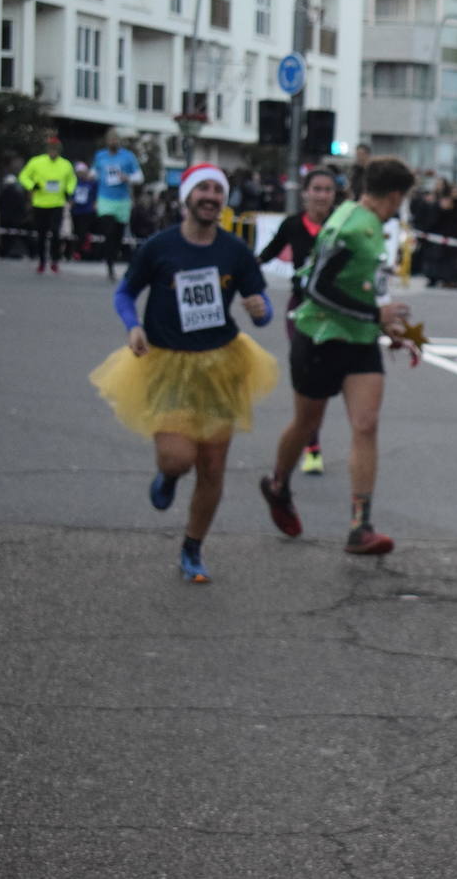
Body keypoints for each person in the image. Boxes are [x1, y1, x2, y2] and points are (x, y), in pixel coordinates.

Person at [88, 163, 277, 583]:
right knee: (179, 458)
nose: (211, 196)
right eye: (202, 188)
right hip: (167, 361)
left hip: (220, 363)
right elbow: (125, 292)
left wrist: (262, 310)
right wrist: (132, 325)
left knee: (212, 466)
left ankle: (193, 547)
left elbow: (260, 304)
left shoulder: (234, 251)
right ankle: (169, 475)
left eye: (218, 190)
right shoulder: (159, 247)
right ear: (187, 197)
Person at [258, 156, 418, 556]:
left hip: (360, 338)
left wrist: (386, 325)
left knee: (366, 424)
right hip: (319, 335)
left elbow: (363, 287)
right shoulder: (348, 226)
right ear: (395, 196)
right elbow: (314, 286)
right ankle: (278, 485)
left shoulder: (371, 225)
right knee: (306, 421)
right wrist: (373, 314)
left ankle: (360, 527)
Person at [256, 168, 338, 475]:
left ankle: (310, 435)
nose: (321, 195)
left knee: (325, 381)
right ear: (305, 193)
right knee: (307, 378)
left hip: (333, 314)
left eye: (327, 190)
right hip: (300, 310)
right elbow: (265, 256)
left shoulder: (340, 225)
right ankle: (312, 447)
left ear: (334, 195)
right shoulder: (292, 225)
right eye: (316, 189)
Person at [18, 135, 76, 274]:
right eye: (51, 149)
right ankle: (42, 261)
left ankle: (55, 260)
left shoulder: (66, 164)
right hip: (40, 203)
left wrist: (69, 191)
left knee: (56, 233)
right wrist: (32, 185)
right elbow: (23, 176)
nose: (53, 152)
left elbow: (72, 180)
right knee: (41, 234)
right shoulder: (36, 162)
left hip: (57, 203)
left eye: (55, 150)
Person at [92, 128, 145, 281]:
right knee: (108, 231)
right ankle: (109, 265)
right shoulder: (100, 156)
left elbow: (139, 177)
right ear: (107, 141)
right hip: (105, 199)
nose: (113, 142)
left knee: (117, 234)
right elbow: (94, 173)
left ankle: (113, 258)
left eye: (116, 139)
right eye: (110, 139)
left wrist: (126, 177)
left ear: (119, 141)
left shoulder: (128, 157)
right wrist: (88, 175)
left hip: (122, 201)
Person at [67, 162, 98, 261]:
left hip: (87, 210)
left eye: (82, 172)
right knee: (76, 232)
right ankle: (76, 251)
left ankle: (79, 252)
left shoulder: (92, 183)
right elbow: (71, 195)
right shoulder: (75, 182)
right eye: (79, 172)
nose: (81, 174)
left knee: (83, 231)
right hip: (76, 210)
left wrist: (95, 205)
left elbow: (95, 195)